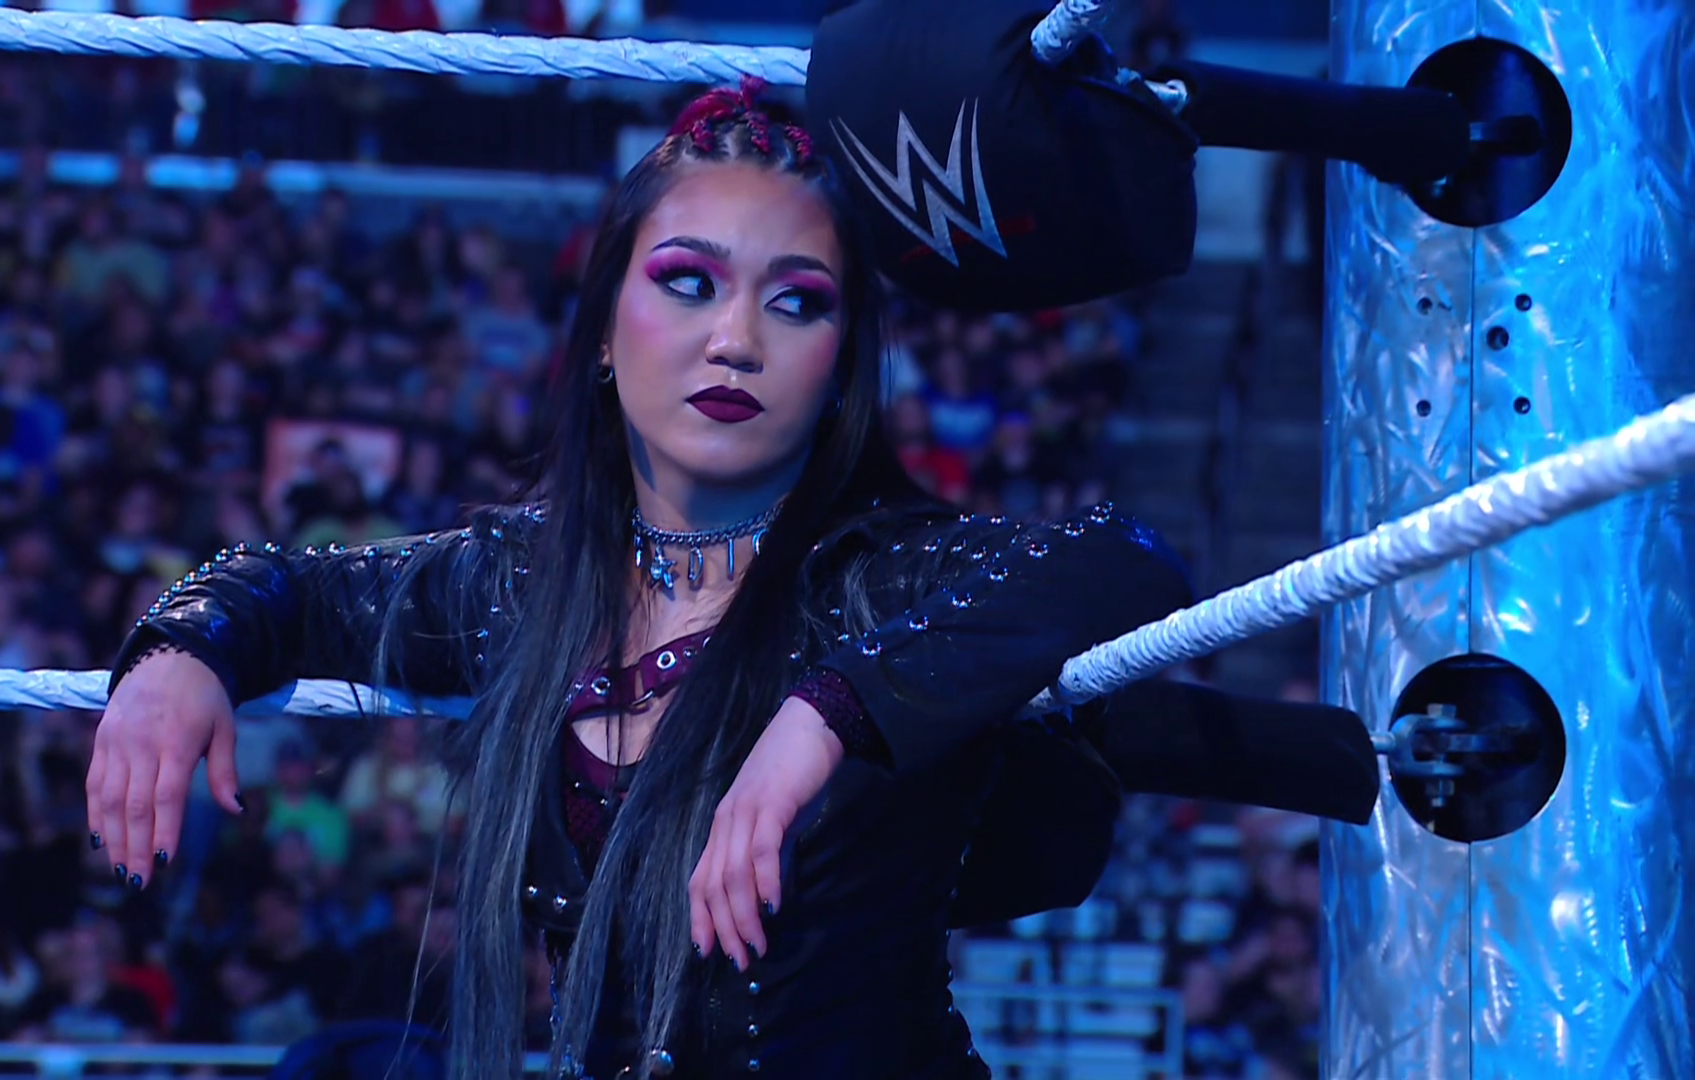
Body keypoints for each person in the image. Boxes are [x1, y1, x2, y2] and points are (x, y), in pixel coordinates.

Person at [88, 80, 1374, 1079]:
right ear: (607, 328)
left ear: (843, 362)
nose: (735, 339)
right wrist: (179, 650)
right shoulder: (520, 581)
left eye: (797, 302)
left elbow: (1123, 562)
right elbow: (288, 583)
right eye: (689, 283)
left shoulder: (879, 576)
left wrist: (827, 716)